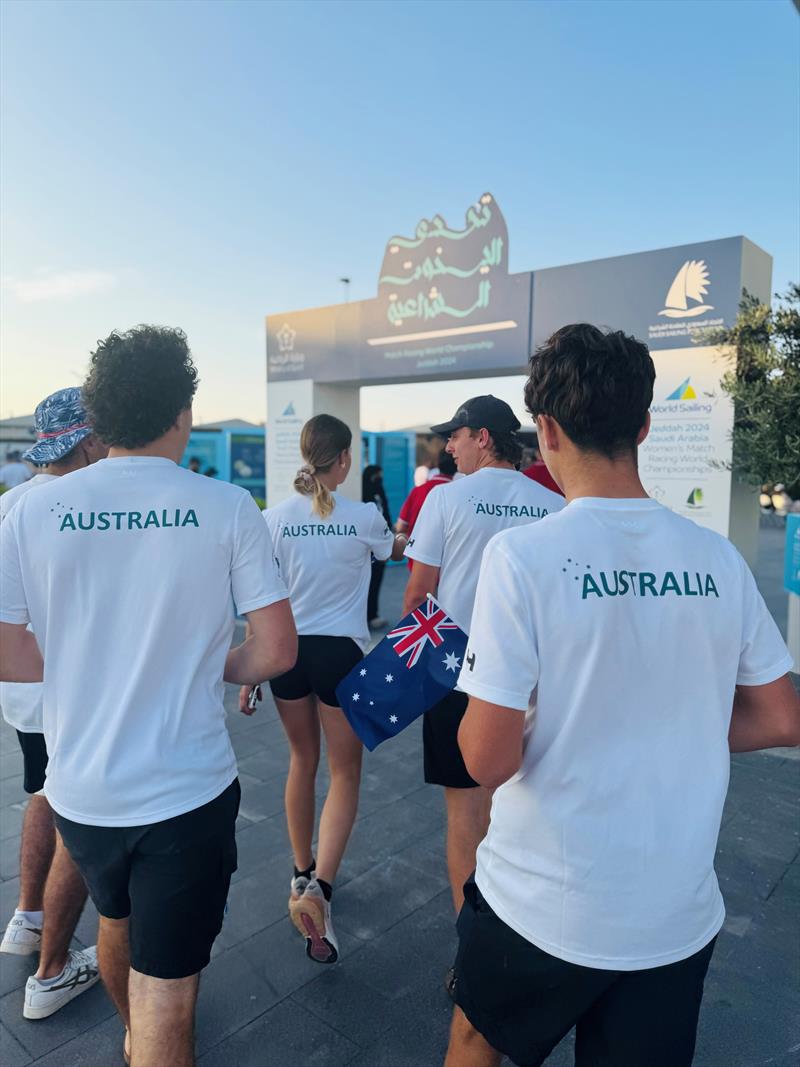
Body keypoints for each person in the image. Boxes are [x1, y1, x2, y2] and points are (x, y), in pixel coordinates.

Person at [447, 324, 800, 1067]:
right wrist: (676, 715)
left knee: (476, 1039)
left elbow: (484, 758)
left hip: (540, 902)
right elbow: (780, 715)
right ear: (643, 425)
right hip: (673, 910)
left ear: (544, 430)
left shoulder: (524, 556)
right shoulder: (718, 557)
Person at [0, 325, 297, 1067]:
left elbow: (8, 649)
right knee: (171, 990)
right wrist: (213, 663)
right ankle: (147, 1036)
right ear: (183, 412)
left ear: (100, 417)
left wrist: (81, 661)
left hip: (80, 792)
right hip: (185, 792)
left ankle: (133, 1036)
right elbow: (276, 650)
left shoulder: (31, 509)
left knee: (116, 918)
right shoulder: (226, 506)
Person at [244, 416, 407, 965]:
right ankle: (322, 889)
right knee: (345, 773)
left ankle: (299, 871)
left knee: (300, 761)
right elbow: (393, 552)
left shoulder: (275, 517)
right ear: (341, 461)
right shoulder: (363, 516)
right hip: (340, 657)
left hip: (287, 656)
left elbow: (259, 592)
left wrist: (253, 666)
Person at [402, 396, 564, 937]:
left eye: (456, 435)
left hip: (456, 674)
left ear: (485, 438)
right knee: (517, 809)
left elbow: (417, 598)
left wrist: (410, 679)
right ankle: (518, 928)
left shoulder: (445, 501)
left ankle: (471, 943)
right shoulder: (552, 503)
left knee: (464, 817)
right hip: (532, 682)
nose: (448, 446)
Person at [0, 387, 107, 1019]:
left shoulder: (11, 504)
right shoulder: (79, 507)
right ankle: (51, 972)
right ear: (90, 440)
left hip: (22, 692)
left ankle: (27, 918)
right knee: (78, 813)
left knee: (41, 789)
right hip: (68, 692)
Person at [396, 448, 457, 570]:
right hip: (448, 565)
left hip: (417, 562)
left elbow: (401, 526)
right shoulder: (459, 493)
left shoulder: (418, 491)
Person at [362, 464, 392, 628]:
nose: (379, 479)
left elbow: (385, 510)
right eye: (377, 476)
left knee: (377, 581)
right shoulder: (363, 491)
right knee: (366, 582)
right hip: (367, 546)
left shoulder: (379, 490)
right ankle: (365, 616)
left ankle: (373, 614)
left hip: (380, 543)